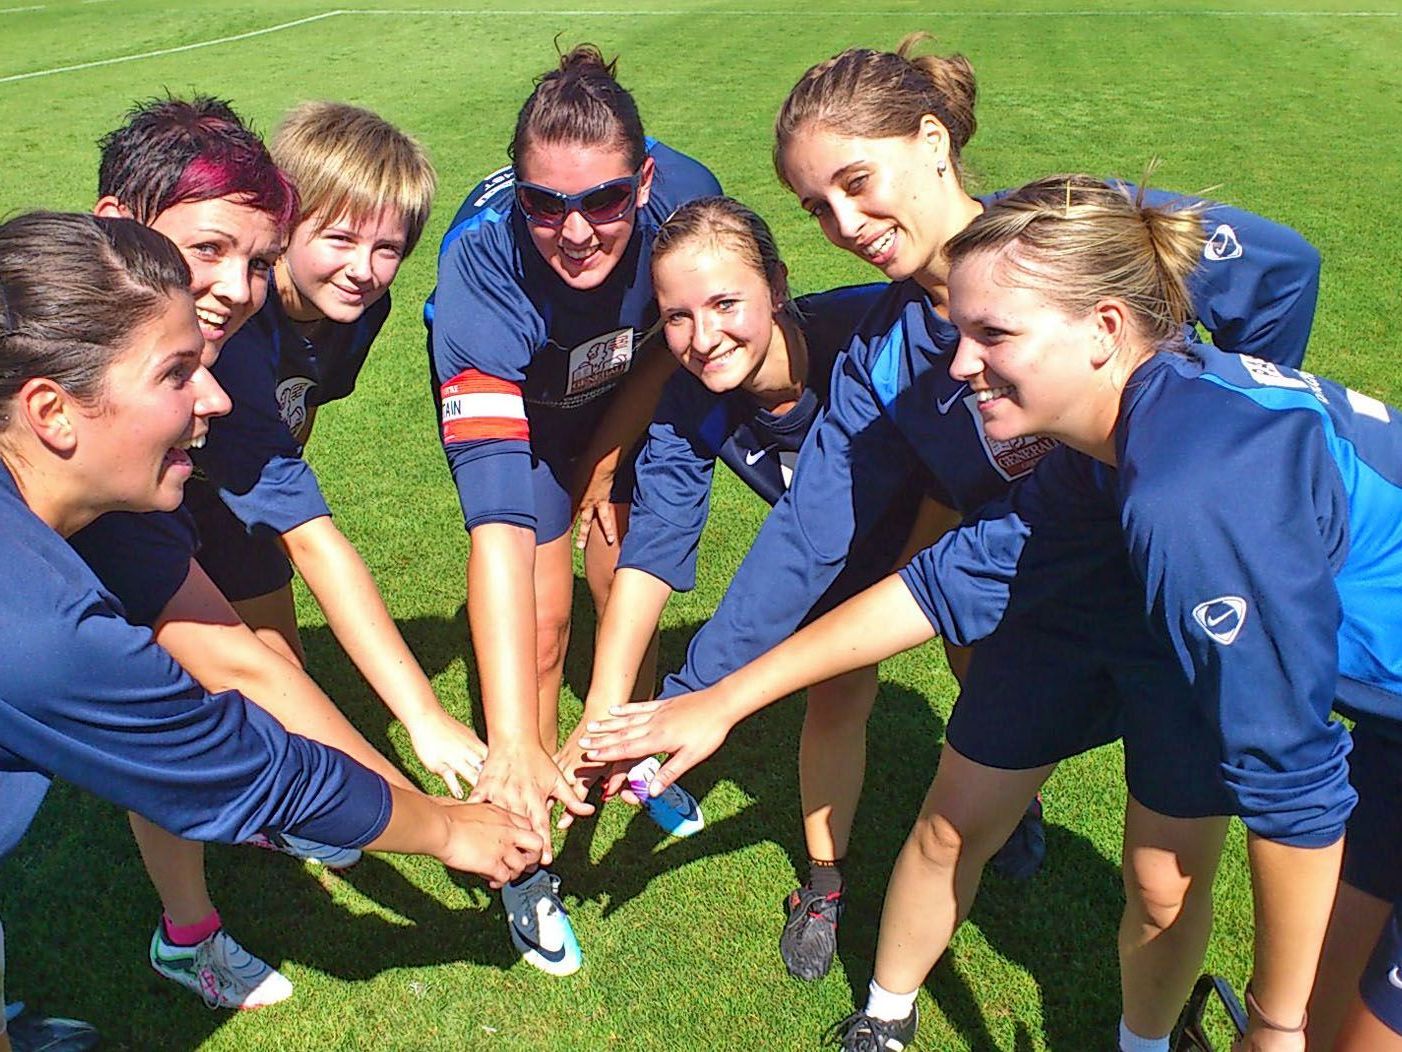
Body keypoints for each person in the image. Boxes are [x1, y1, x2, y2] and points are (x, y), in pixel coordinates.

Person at [575, 37, 1320, 1050]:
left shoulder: (1069, 234)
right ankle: (886, 1014)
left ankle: (1147, 1036)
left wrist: (1205, 447)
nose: (844, 224)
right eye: (815, 206)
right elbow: (805, 537)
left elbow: (1282, 274)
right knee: (949, 818)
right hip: (1041, 600)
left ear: (932, 143)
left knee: (1160, 876)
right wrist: (690, 695)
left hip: (1180, 597)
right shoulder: (885, 352)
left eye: (855, 182)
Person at [0, 212, 543, 1044]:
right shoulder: (41, 626)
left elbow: (243, 670)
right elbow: (244, 769)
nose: (216, 397)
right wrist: (446, 830)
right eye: (177, 374)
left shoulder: (85, 527)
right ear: (53, 411)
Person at [68, 95, 484, 1009]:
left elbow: (291, 441)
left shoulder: (347, 309)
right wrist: (424, 738)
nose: (369, 272)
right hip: (159, 494)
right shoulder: (223, 357)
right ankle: (188, 932)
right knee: (175, 712)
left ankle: (287, 805)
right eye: (339, 240)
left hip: (225, 486)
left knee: (274, 672)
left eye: (390, 251)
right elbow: (317, 540)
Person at [569, 195, 935, 981]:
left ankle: (1014, 798)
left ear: (777, 284)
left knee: (989, 674)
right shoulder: (688, 403)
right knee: (835, 698)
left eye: (726, 302)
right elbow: (654, 548)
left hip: (943, 541)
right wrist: (606, 713)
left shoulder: (866, 337)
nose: (703, 339)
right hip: (834, 564)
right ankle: (825, 884)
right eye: (676, 317)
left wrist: (698, 691)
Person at [426, 44, 720, 975]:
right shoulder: (477, 269)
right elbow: (499, 521)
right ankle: (523, 844)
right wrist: (508, 739)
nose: (578, 229)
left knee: (621, 581)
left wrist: (611, 451)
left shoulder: (687, 202)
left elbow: (679, 349)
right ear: (517, 190)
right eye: (545, 203)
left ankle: (617, 754)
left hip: (624, 401)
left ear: (645, 179)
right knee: (543, 626)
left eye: (603, 200)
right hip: (526, 425)